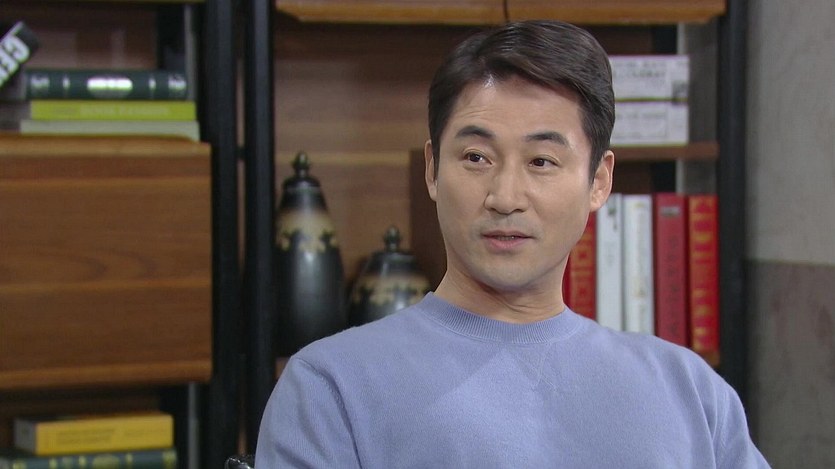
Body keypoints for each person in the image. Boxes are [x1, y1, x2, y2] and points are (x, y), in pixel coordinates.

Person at [255, 20, 770, 468]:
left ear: (599, 181)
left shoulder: (690, 393)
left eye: (541, 162)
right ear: (432, 169)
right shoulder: (330, 388)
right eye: (476, 158)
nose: (504, 197)